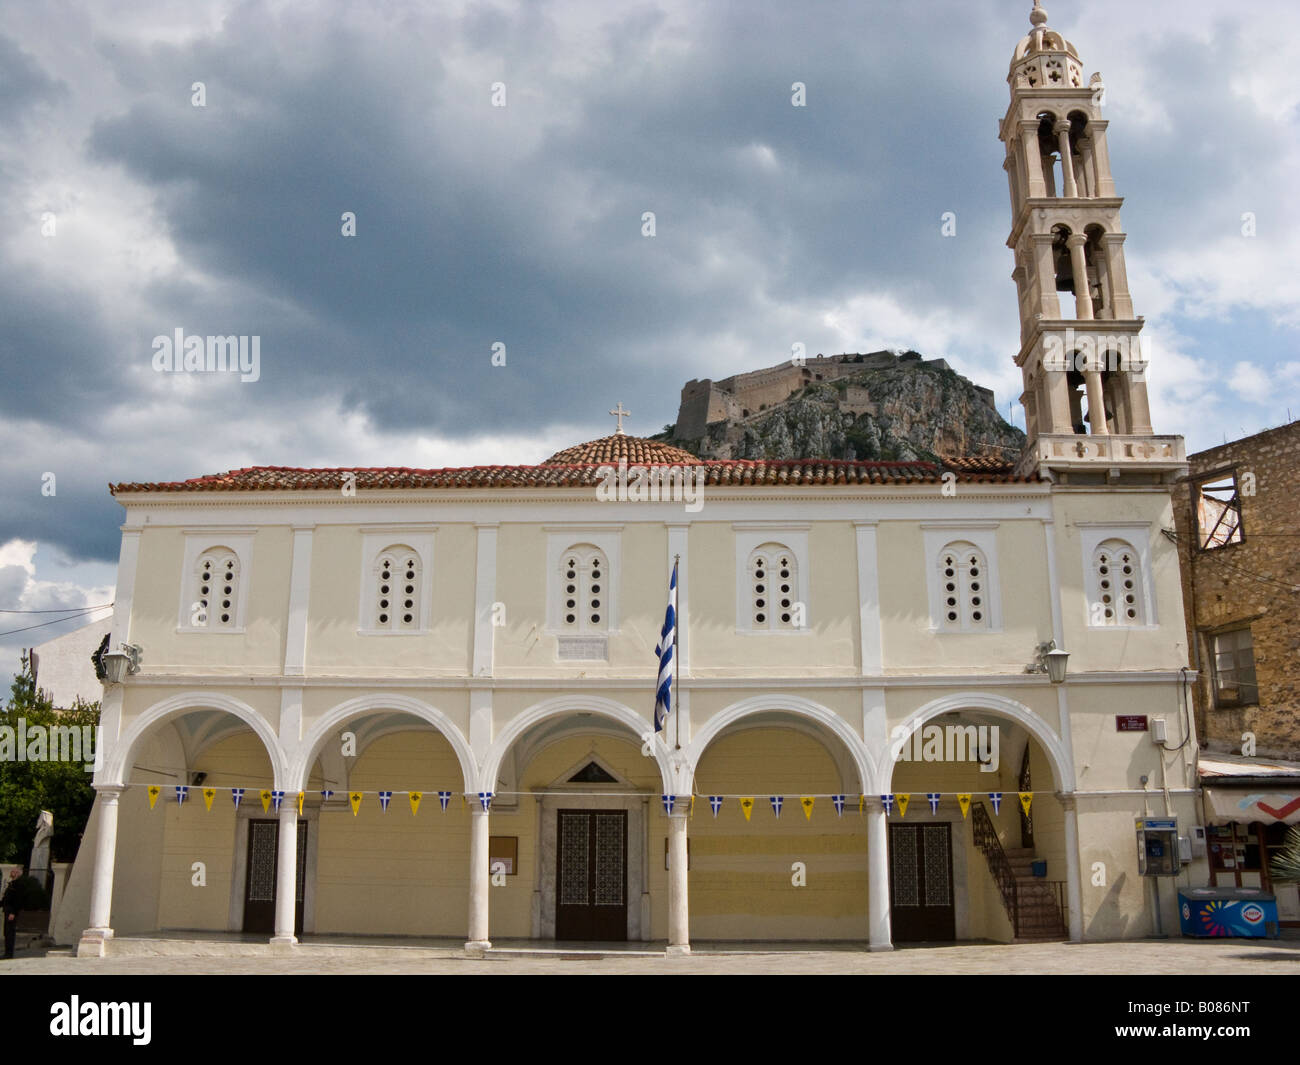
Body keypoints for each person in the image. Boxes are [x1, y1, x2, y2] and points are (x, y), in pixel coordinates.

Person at [1, 868, 22, 959]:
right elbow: (6, 899)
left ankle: (9, 954)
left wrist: (13, 912)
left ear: (17, 874)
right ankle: (7, 952)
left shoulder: (18, 885)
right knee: (6, 932)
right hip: (7, 910)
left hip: (11, 912)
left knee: (10, 932)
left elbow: (18, 900)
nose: (11, 872)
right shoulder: (12, 884)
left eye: (13, 871)